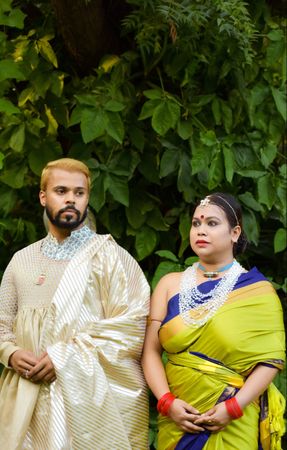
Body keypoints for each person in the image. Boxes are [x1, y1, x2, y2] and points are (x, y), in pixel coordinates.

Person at [0, 158, 150, 450]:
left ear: (87, 198)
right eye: (61, 190)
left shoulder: (111, 258)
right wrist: (10, 352)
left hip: (86, 407)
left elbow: (132, 327)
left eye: (79, 193)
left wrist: (64, 357)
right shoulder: (22, 260)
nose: (71, 198)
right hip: (25, 404)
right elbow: (2, 321)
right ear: (43, 196)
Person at [142, 192, 285, 450]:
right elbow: (150, 351)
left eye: (212, 223)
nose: (201, 230)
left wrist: (233, 408)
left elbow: (271, 361)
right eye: (196, 223)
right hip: (177, 421)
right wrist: (166, 402)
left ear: (235, 233)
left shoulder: (258, 292)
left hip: (234, 421)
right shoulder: (168, 284)